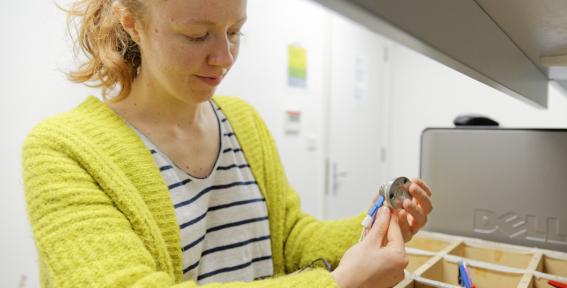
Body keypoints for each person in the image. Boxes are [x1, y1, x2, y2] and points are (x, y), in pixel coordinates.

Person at [22, 0, 433, 287]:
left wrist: (377, 226)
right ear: (131, 22)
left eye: (235, 32)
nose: (224, 56)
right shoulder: (62, 150)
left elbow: (290, 239)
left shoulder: (242, 122)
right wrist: (337, 284)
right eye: (197, 35)